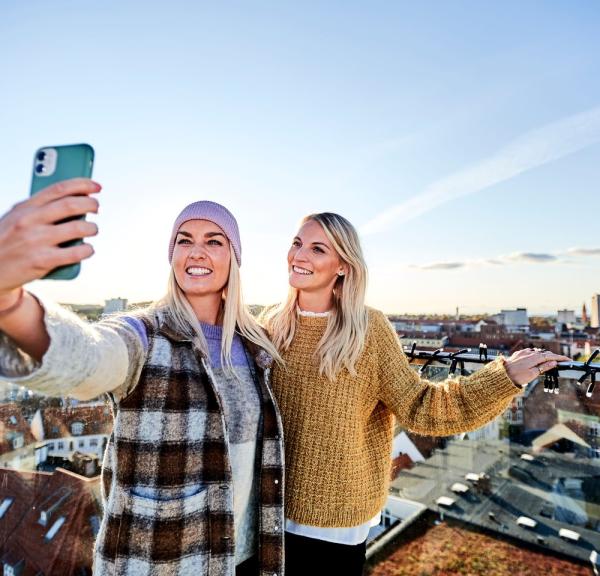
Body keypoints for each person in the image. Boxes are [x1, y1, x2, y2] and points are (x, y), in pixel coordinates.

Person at [0, 178, 285, 576]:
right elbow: (92, 358)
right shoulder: (146, 335)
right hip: (162, 562)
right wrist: (9, 299)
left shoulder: (259, 346)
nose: (196, 251)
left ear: (234, 257)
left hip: (247, 558)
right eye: (184, 240)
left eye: (214, 240)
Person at [261, 212, 569, 576]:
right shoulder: (269, 325)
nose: (299, 255)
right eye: (297, 243)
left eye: (317, 248)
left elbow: (423, 407)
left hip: (332, 527)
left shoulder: (367, 330)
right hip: (265, 516)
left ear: (342, 266)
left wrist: (503, 377)